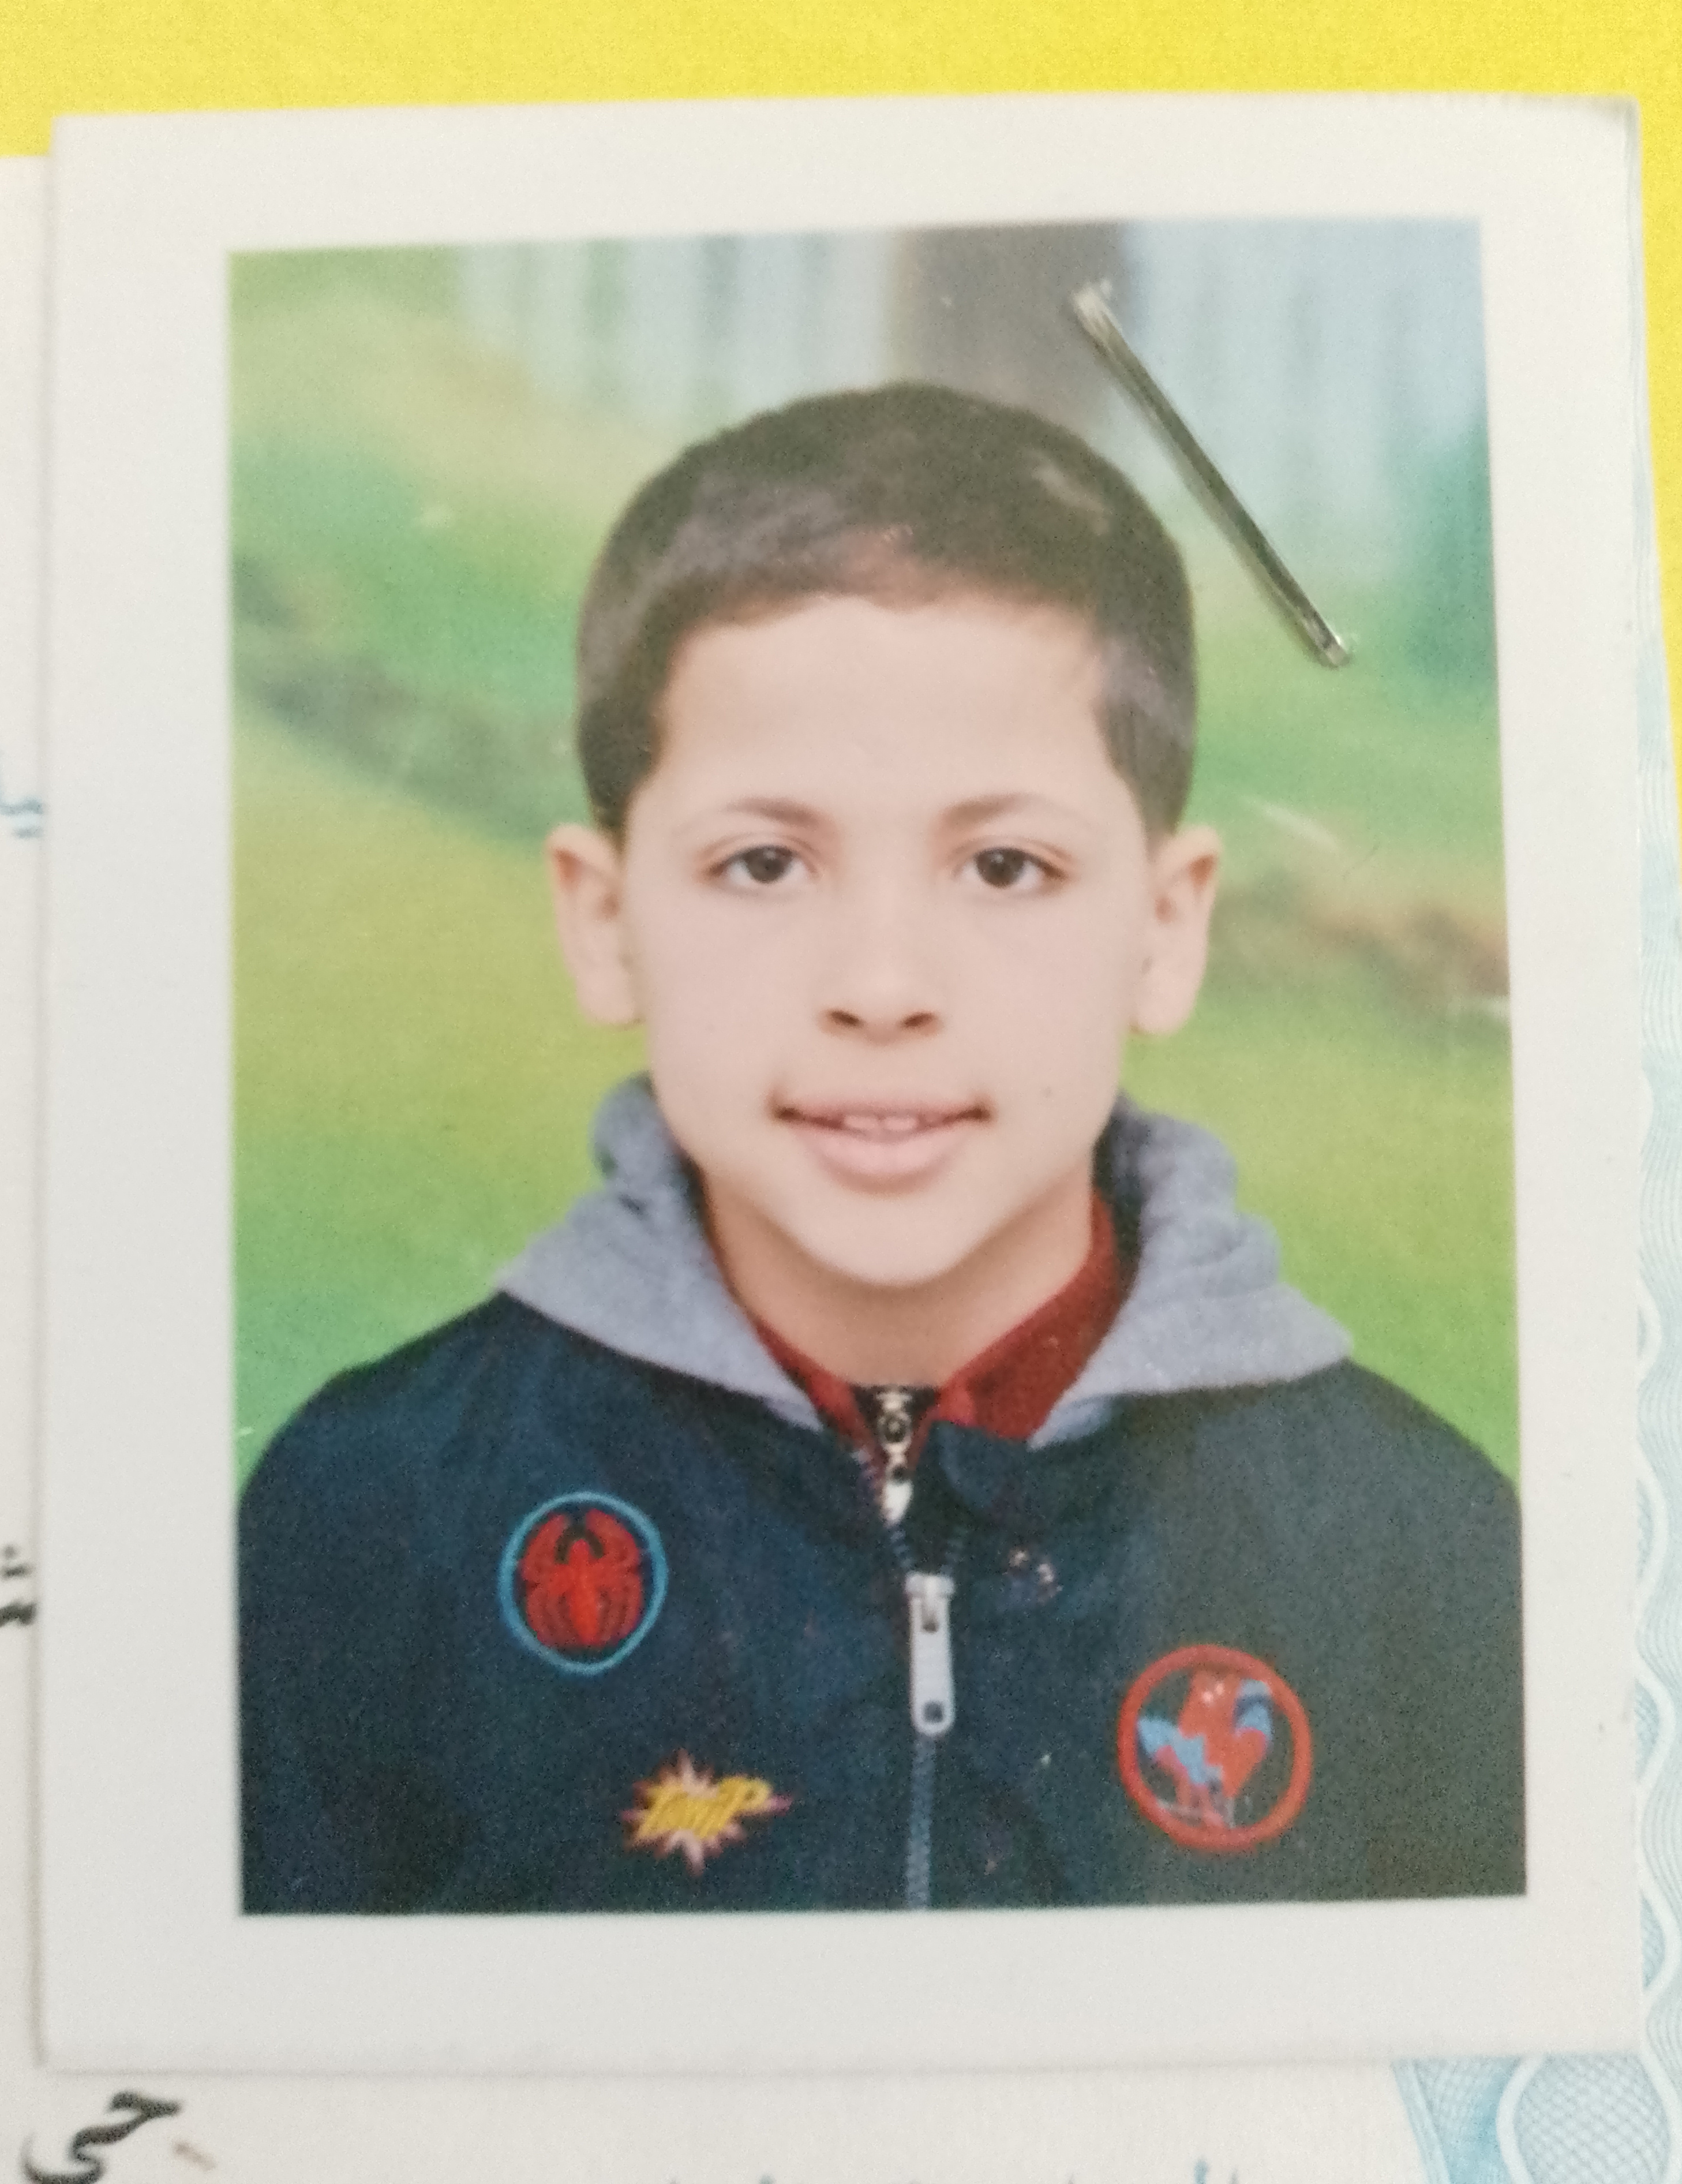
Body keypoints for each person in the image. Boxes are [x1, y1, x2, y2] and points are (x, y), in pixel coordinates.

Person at [239, 383, 1523, 1914]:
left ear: (1165, 929)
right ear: (605, 920)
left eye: (1006, 865)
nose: (883, 986)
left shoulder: (1423, 1555)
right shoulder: (369, 1516)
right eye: (764, 862)